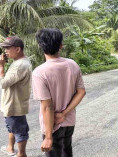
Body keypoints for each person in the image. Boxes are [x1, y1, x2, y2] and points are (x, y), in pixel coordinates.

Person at [32, 28, 86, 157]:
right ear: (60, 45)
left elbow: (47, 106)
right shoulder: (72, 64)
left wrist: (48, 137)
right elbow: (81, 92)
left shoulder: (39, 73)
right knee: (67, 152)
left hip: (53, 124)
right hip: (69, 121)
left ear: (41, 46)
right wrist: (64, 113)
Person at [0, 36, 32, 157]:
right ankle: (10, 148)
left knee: (19, 131)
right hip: (14, 104)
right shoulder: (20, 62)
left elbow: (3, 83)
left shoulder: (19, 66)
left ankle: (21, 154)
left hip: (14, 105)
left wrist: (1, 66)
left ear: (18, 49)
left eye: (8, 48)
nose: (5, 51)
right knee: (13, 127)